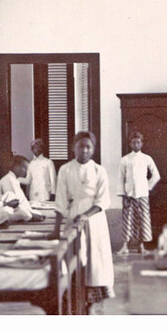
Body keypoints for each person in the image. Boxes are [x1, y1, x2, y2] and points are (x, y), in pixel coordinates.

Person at [55, 131, 114, 312]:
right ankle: (73, 301)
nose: (85, 150)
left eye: (89, 147)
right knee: (73, 260)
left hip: (95, 220)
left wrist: (86, 215)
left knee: (94, 261)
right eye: (81, 146)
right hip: (74, 217)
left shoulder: (99, 170)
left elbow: (103, 201)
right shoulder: (65, 170)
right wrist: (56, 230)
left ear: (93, 149)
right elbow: (60, 202)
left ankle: (91, 303)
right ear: (73, 147)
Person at [117, 131, 161, 255]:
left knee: (143, 219)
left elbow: (156, 175)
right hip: (129, 194)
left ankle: (141, 246)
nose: (136, 144)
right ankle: (125, 246)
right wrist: (123, 193)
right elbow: (120, 178)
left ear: (142, 144)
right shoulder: (125, 160)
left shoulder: (147, 158)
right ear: (130, 144)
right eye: (133, 142)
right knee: (128, 219)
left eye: (138, 142)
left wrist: (147, 187)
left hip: (142, 194)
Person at [0, 156, 45, 222]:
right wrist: (31, 213)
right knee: (27, 214)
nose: (27, 172)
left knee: (37, 212)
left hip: (18, 209)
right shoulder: (8, 180)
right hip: (9, 211)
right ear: (16, 167)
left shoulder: (14, 180)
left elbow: (20, 201)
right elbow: (14, 203)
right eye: (25, 168)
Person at [24, 138, 56, 202]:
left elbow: (53, 180)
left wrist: (53, 193)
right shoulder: (31, 164)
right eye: (33, 148)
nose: (34, 150)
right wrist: (17, 179)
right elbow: (28, 180)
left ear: (41, 148)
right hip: (33, 195)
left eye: (36, 147)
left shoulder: (48, 162)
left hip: (45, 195)